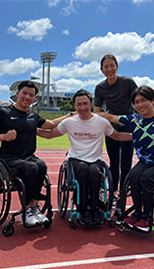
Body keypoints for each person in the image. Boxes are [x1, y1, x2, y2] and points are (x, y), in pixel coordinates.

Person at [0, 80, 73, 227]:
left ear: (34, 98)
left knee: (41, 165)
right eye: (24, 93)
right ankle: (27, 209)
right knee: (32, 168)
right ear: (17, 94)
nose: (27, 97)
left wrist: (69, 115)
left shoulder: (33, 116)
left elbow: (50, 125)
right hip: (8, 158)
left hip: (29, 157)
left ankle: (34, 207)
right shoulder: (3, 114)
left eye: (31, 95)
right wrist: (3, 137)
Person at [97, 85, 154, 232]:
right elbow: (112, 117)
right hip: (144, 163)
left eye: (143, 100)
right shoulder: (135, 120)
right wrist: (89, 113)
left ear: (153, 100)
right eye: (136, 102)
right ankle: (138, 213)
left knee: (146, 178)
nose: (140, 105)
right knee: (133, 176)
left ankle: (147, 217)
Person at [37, 89, 132, 225]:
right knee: (82, 170)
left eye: (85, 103)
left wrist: (136, 136)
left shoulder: (101, 122)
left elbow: (117, 136)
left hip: (95, 160)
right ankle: (84, 209)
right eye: (79, 104)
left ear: (91, 104)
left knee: (94, 173)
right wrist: (29, 128)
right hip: (76, 159)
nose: (83, 107)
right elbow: (49, 134)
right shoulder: (69, 122)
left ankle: (95, 208)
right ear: (75, 106)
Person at [94, 54, 138, 199]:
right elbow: (97, 111)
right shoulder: (100, 88)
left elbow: (138, 102)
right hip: (111, 126)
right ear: (102, 70)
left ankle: (123, 193)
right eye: (106, 67)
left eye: (112, 65)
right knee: (113, 162)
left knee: (126, 162)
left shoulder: (128, 83)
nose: (109, 69)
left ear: (117, 67)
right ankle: (112, 192)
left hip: (128, 124)